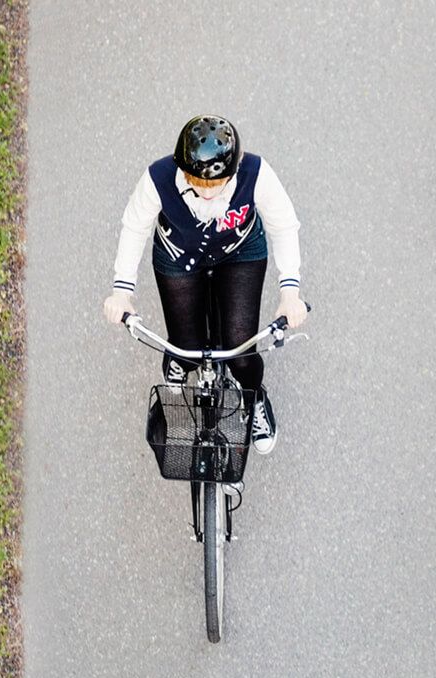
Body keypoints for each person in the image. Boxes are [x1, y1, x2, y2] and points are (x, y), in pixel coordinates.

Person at [102, 115, 306, 455]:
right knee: (186, 344)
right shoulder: (158, 178)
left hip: (239, 253)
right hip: (178, 256)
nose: (207, 191)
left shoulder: (256, 173)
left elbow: (283, 225)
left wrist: (290, 293)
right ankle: (179, 365)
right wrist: (122, 291)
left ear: (236, 165)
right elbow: (135, 227)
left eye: (217, 183)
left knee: (241, 351)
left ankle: (255, 397)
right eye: (196, 180)